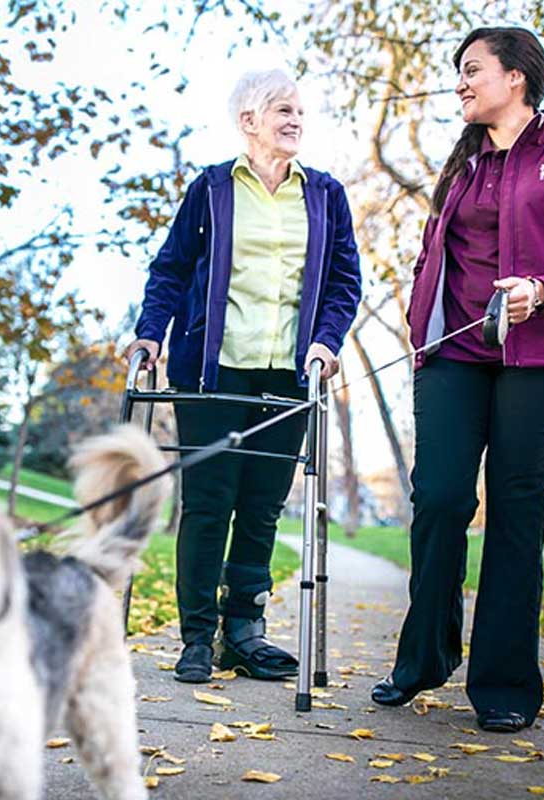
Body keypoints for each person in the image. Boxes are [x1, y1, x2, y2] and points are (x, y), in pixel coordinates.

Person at [371, 27, 544, 733]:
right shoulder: (461, 169)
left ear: (516, 78)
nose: (460, 82)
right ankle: (422, 660)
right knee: (442, 499)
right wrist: (420, 331)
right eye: (459, 72)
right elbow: (433, 261)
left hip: (543, 362)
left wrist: (542, 291)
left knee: (515, 513)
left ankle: (505, 685)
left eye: (471, 70)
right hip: (453, 356)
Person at [125, 69, 362, 684]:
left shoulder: (326, 195)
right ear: (248, 121)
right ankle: (197, 638)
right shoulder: (210, 189)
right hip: (213, 369)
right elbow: (171, 270)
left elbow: (343, 283)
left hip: (288, 373)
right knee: (208, 504)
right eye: (282, 109)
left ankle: (245, 631)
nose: (295, 120)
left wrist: (326, 342)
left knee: (260, 508)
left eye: (300, 112)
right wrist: (151, 331)